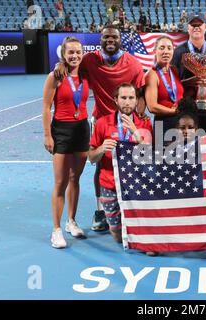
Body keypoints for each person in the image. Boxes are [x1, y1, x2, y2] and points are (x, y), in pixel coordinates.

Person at [54, 22, 146, 233]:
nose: (110, 40)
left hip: (126, 122)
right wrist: (60, 65)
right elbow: (71, 65)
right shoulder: (90, 60)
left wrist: (139, 115)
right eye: (106, 37)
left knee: (132, 164)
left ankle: (128, 208)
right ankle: (101, 211)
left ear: (120, 39)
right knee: (100, 166)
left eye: (114, 37)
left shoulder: (133, 63)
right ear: (100, 39)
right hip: (102, 122)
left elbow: (139, 92)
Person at [88, 83, 153, 248]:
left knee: (138, 229)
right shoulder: (102, 123)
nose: (127, 102)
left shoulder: (144, 124)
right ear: (115, 100)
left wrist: (135, 132)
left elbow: (149, 156)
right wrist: (102, 149)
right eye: (123, 98)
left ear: (137, 101)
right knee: (117, 234)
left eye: (131, 98)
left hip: (136, 185)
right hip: (109, 184)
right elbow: (91, 158)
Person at [42, 37, 90, 249]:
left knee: (75, 178)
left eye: (78, 52)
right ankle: (56, 230)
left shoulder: (86, 74)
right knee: (60, 182)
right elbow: (45, 107)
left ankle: (71, 221)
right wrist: (47, 135)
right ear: (63, 54)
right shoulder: (56, 76)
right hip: (61, 131)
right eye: (70, 52)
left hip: (82, 129)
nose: (74, 56)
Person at [171, 13, 206, 107]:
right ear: (187, 28)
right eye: (193, 25)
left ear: (205, 27)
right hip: (185, 106)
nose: (196, 27)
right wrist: (187, 82)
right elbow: (172, 81)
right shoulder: (178, 52)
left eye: (199, 24)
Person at [145, 36, 184, 139]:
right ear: (155, 51)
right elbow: (152, 106)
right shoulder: (152, 74)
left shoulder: (173, 70)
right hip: (163, 124)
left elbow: (174, 89)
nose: (165, 51)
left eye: (169, 48)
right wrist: (175, 111)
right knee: (163, 155)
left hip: (180, 122)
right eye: (161, 48)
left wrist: (191, 81)